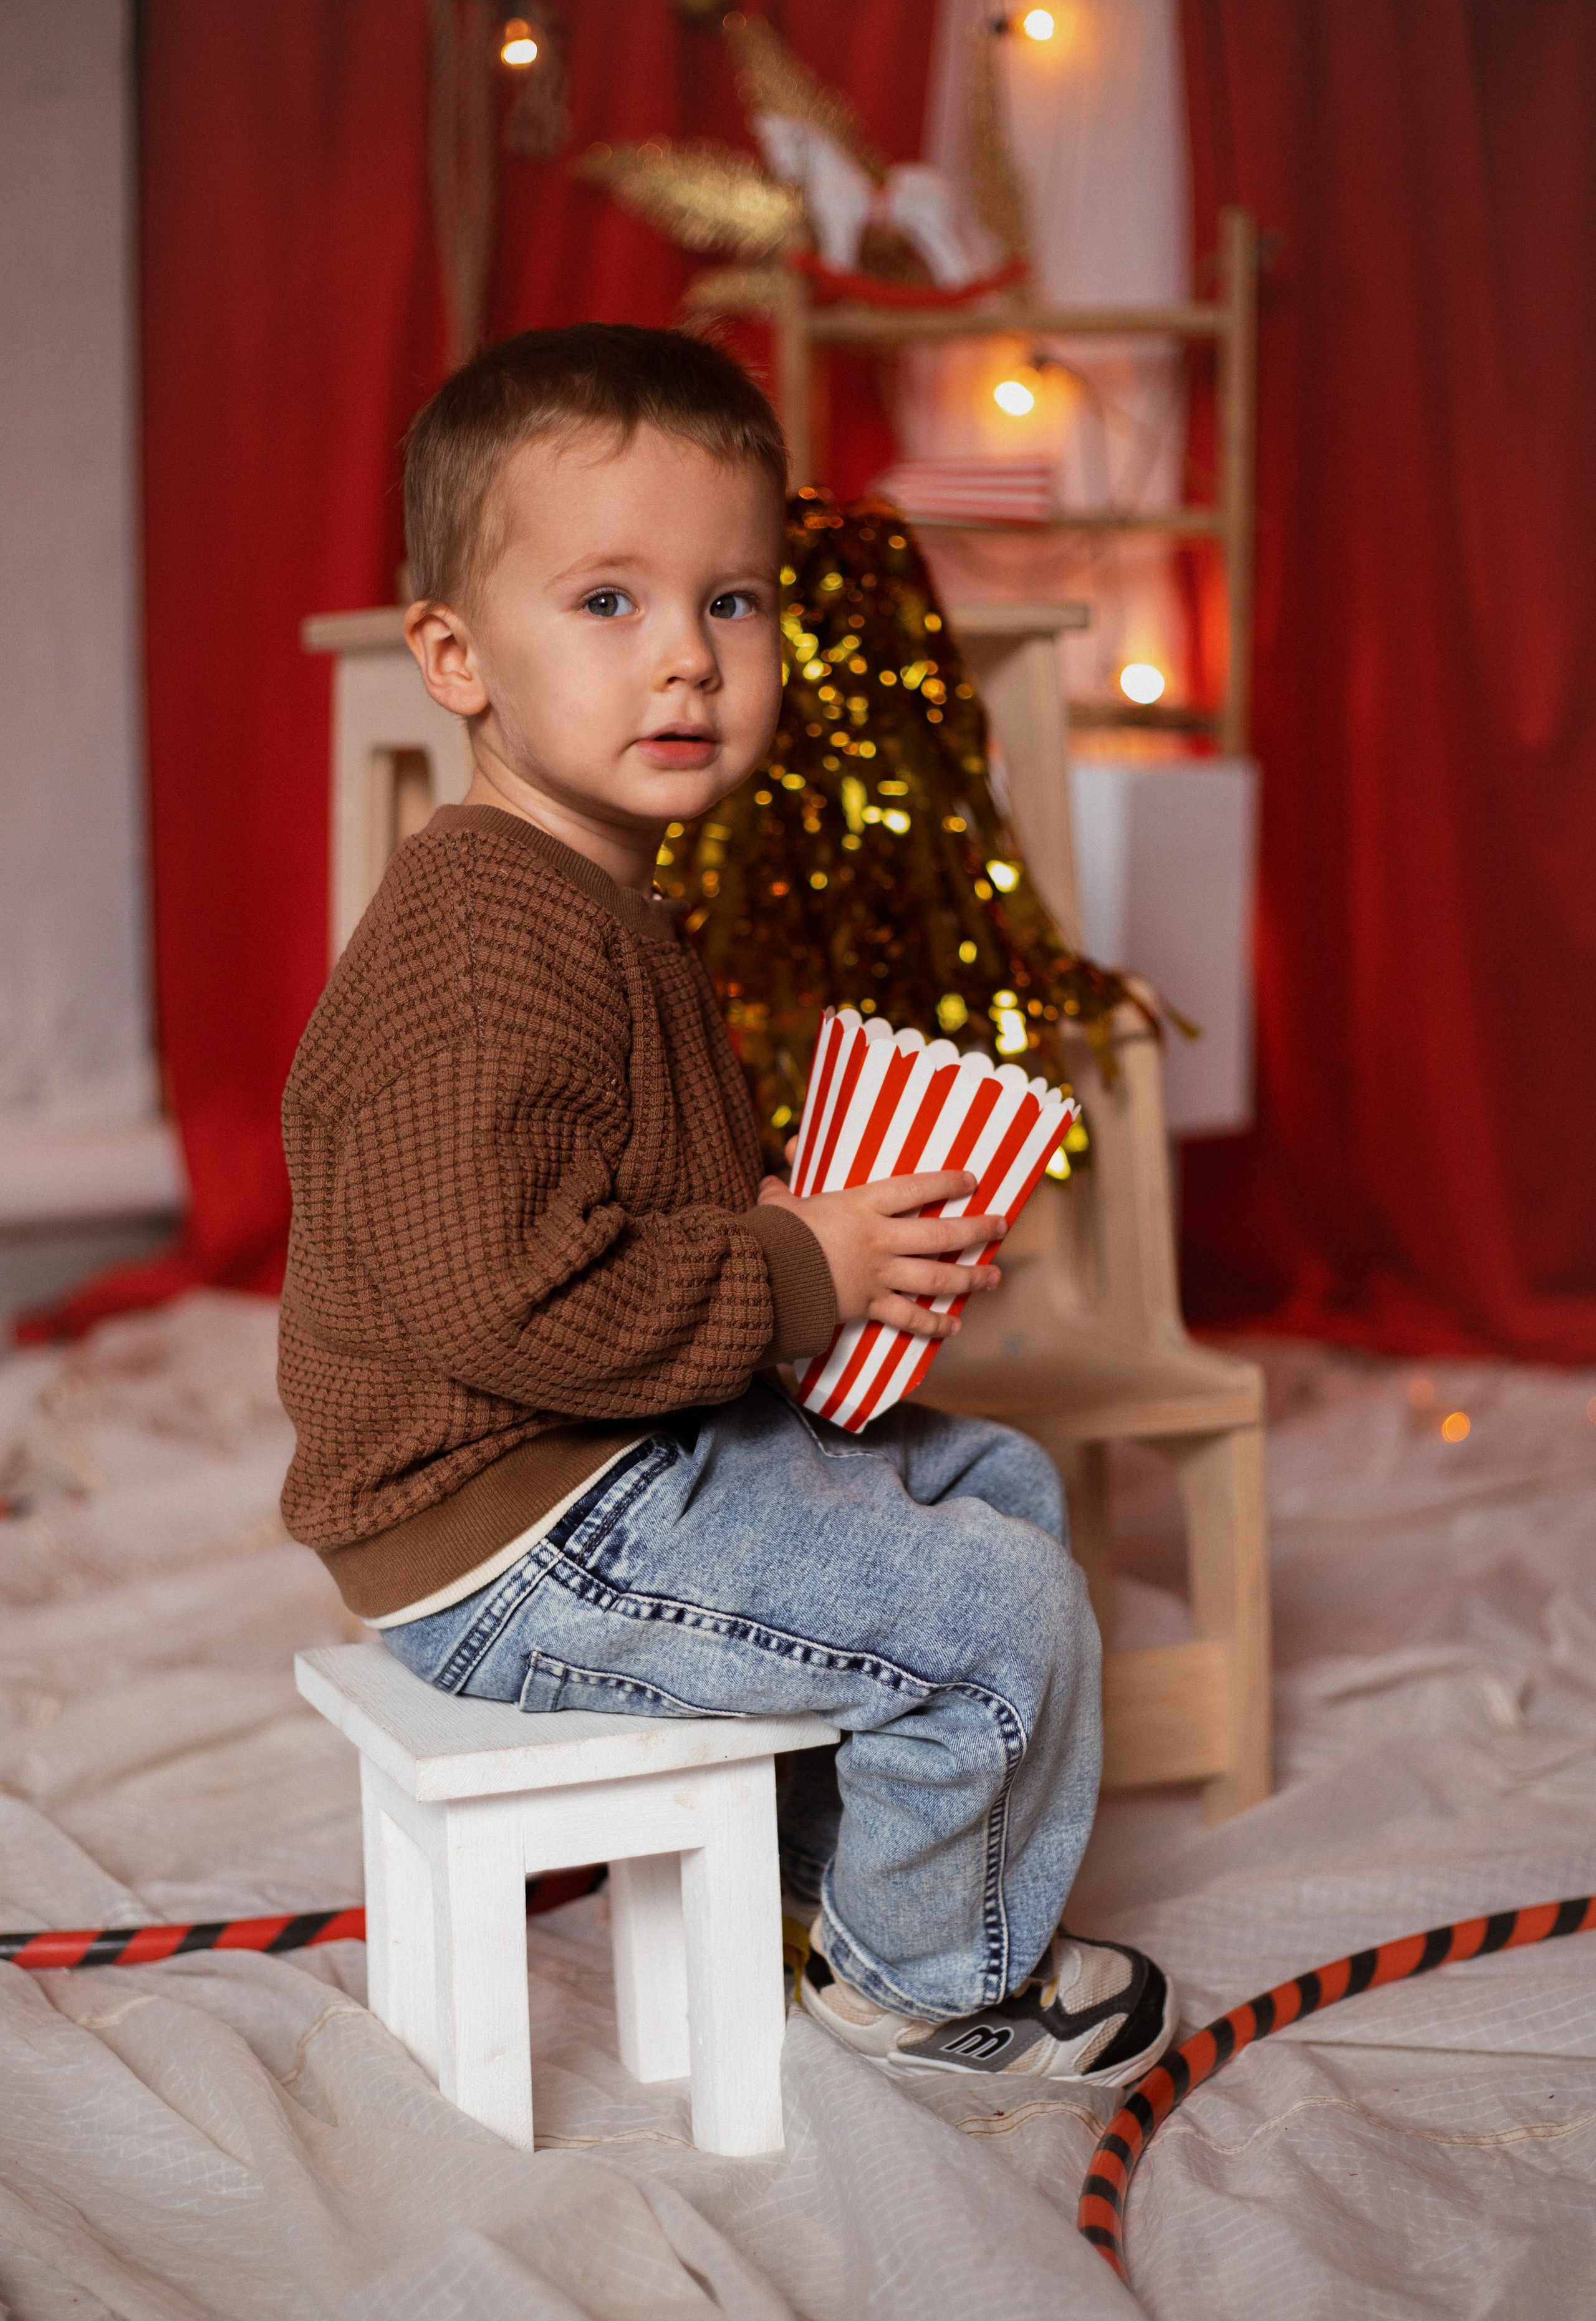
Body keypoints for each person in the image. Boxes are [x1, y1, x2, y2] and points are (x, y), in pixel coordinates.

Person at [278, 322, 1176, 2085]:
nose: (688, 657)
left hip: (606, 1456)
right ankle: (918, 1981)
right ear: (456, 657)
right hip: (512, 1528)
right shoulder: (482, 939)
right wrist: (789, 1264)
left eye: (733, 601)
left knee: (1001, 1483)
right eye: (608, 602)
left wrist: (824, 1237)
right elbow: (514, 1302)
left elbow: (613, 1184)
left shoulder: (596, 893)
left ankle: (833, 1877)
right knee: (996, 1613)